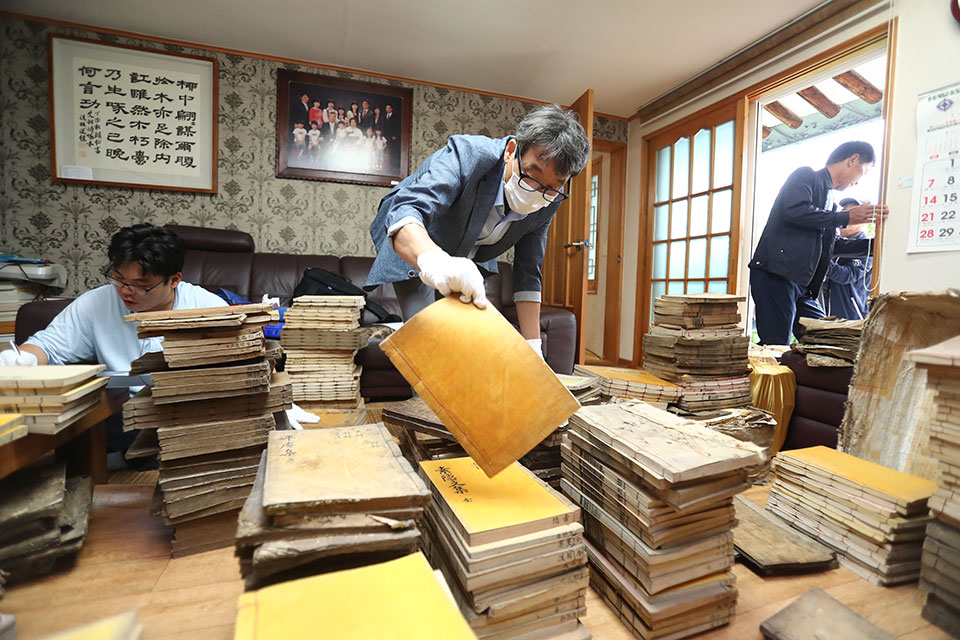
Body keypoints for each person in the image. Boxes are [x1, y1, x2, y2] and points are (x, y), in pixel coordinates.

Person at [365, 104, 591, 358]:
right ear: (511, 151)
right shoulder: (468, 154)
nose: (538, 192)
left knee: (463, 336)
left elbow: (529, 271)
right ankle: (424, 395)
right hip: (415, 234)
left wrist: (533, 346)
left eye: (551, 187)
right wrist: (436, 261)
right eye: (531, 176)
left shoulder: (551, 198)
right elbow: (408, 208)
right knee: (428, 336)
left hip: (465, 248)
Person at [2, 224, 226, 467]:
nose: (126, 292)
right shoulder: (97, 302)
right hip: (119, 413)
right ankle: (132, 458)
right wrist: (23, 359)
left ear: (174, 280)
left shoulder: (208, 309)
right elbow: (49, 346)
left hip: (183, 413)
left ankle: (132, 459)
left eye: (141, 285)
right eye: (119, 279)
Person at [749, 141, 889, 345]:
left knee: (825, 340)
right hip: (776, 275)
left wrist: (879, 245)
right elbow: (795, 210)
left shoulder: (830, 204)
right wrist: (845, 217)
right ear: (853, 160)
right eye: (863, 172)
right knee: (776, 345)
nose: (858, 182)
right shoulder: (806, 176)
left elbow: (833, 246)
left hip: (802, 285)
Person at [822, 198, 873, 320]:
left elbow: (848, 275)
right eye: (845, 212)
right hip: (828, 316)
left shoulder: (867, 246)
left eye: (854, 212)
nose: (849, 216)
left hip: (852, 318)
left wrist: (820, 262)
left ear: (865, 221)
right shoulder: (832, 242)